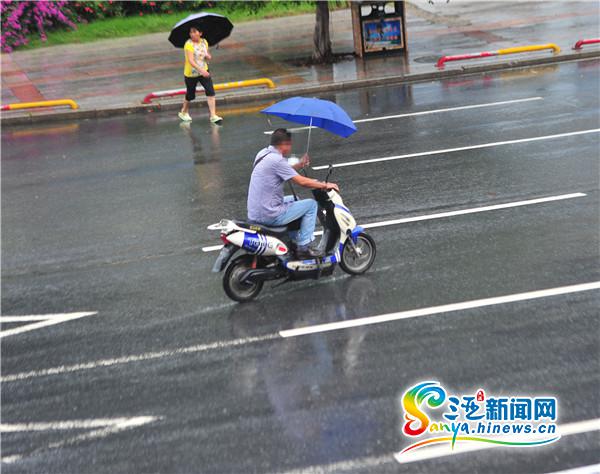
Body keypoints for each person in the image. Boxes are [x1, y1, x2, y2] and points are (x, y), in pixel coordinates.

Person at [247, 129, 339, 259]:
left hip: (256, 211)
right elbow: (301, 182)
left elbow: (284, 171)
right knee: (311, 205)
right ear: (283, 144)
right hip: (268, 214)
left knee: (295, 199)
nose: (290, 147)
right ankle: (303, 247)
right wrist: (325, 185)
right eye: (289, 144)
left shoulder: (262, 154)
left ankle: (291, 240)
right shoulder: (277, 160)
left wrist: (300, 164)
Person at [178, 26, 223, 124]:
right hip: (191, 74)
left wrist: (208, 57)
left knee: (210, 91)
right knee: (190, 95)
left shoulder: (204, 42)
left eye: (194, 32)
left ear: (200, 33)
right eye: (191, 32)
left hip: (204, 71)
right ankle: (183, 112)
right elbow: (191, 61)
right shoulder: (188, 45)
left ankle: (213, 115)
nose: (192, 34)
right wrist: (201, 71)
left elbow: (206, 56)